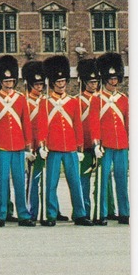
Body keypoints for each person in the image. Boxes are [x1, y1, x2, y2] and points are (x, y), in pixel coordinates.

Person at [0, 54, 35, 226]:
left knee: (20, 181)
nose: (9, 83)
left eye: (11, 81)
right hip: (1, 147)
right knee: (2, 182)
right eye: (6, 81)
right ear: (0, 81)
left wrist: (29, 147)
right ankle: (1, 213)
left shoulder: (20, 99)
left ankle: (23, 214)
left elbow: (26, 124)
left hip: (19, 146)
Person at [40, 54, 90, 226]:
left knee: (75, 182)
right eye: (58, 82)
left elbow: (78, 126)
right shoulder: (45, 103)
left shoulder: (73, 102)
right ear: (53, 83)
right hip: (53, 147)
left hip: (70, 147)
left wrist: (80, 148)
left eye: (63, 82)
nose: (61, 85)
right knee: (51, 183)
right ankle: (51, 214)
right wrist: (42, 144)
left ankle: (80, 213)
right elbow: (42, 126)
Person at [93, 52, 129, 225]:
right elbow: (94, 124)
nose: (114, 82)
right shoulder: (97, 99)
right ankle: (102, 212)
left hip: (121, 144)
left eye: (116, 78)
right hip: (105, 145)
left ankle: (125, 212)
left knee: (122, 179)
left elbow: (128, 123)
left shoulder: (123, 99)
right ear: (105, 79)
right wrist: (96, 144)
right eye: (111, 78)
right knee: (103, 179)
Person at [21, 59, 47, 222]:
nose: (39, 86)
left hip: (46, 145)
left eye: (40, 84)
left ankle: (52, 210)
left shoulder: (46, 101)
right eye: (36, 84)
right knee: (33, 180)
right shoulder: (25, 101)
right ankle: (32, 210)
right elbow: (25, 126)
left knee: (49, 181)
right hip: (32, 146)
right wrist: (28, 148)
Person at [76, 57, 101, 218]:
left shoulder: (102, 99)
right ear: (84, 82)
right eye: (91, 82)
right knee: (83, 180)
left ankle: (104, 210)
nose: (94, 84)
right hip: (84, 144)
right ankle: (84, 209)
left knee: (102, 180)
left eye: (96, 81)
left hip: (100, 145)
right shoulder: (78, 101)